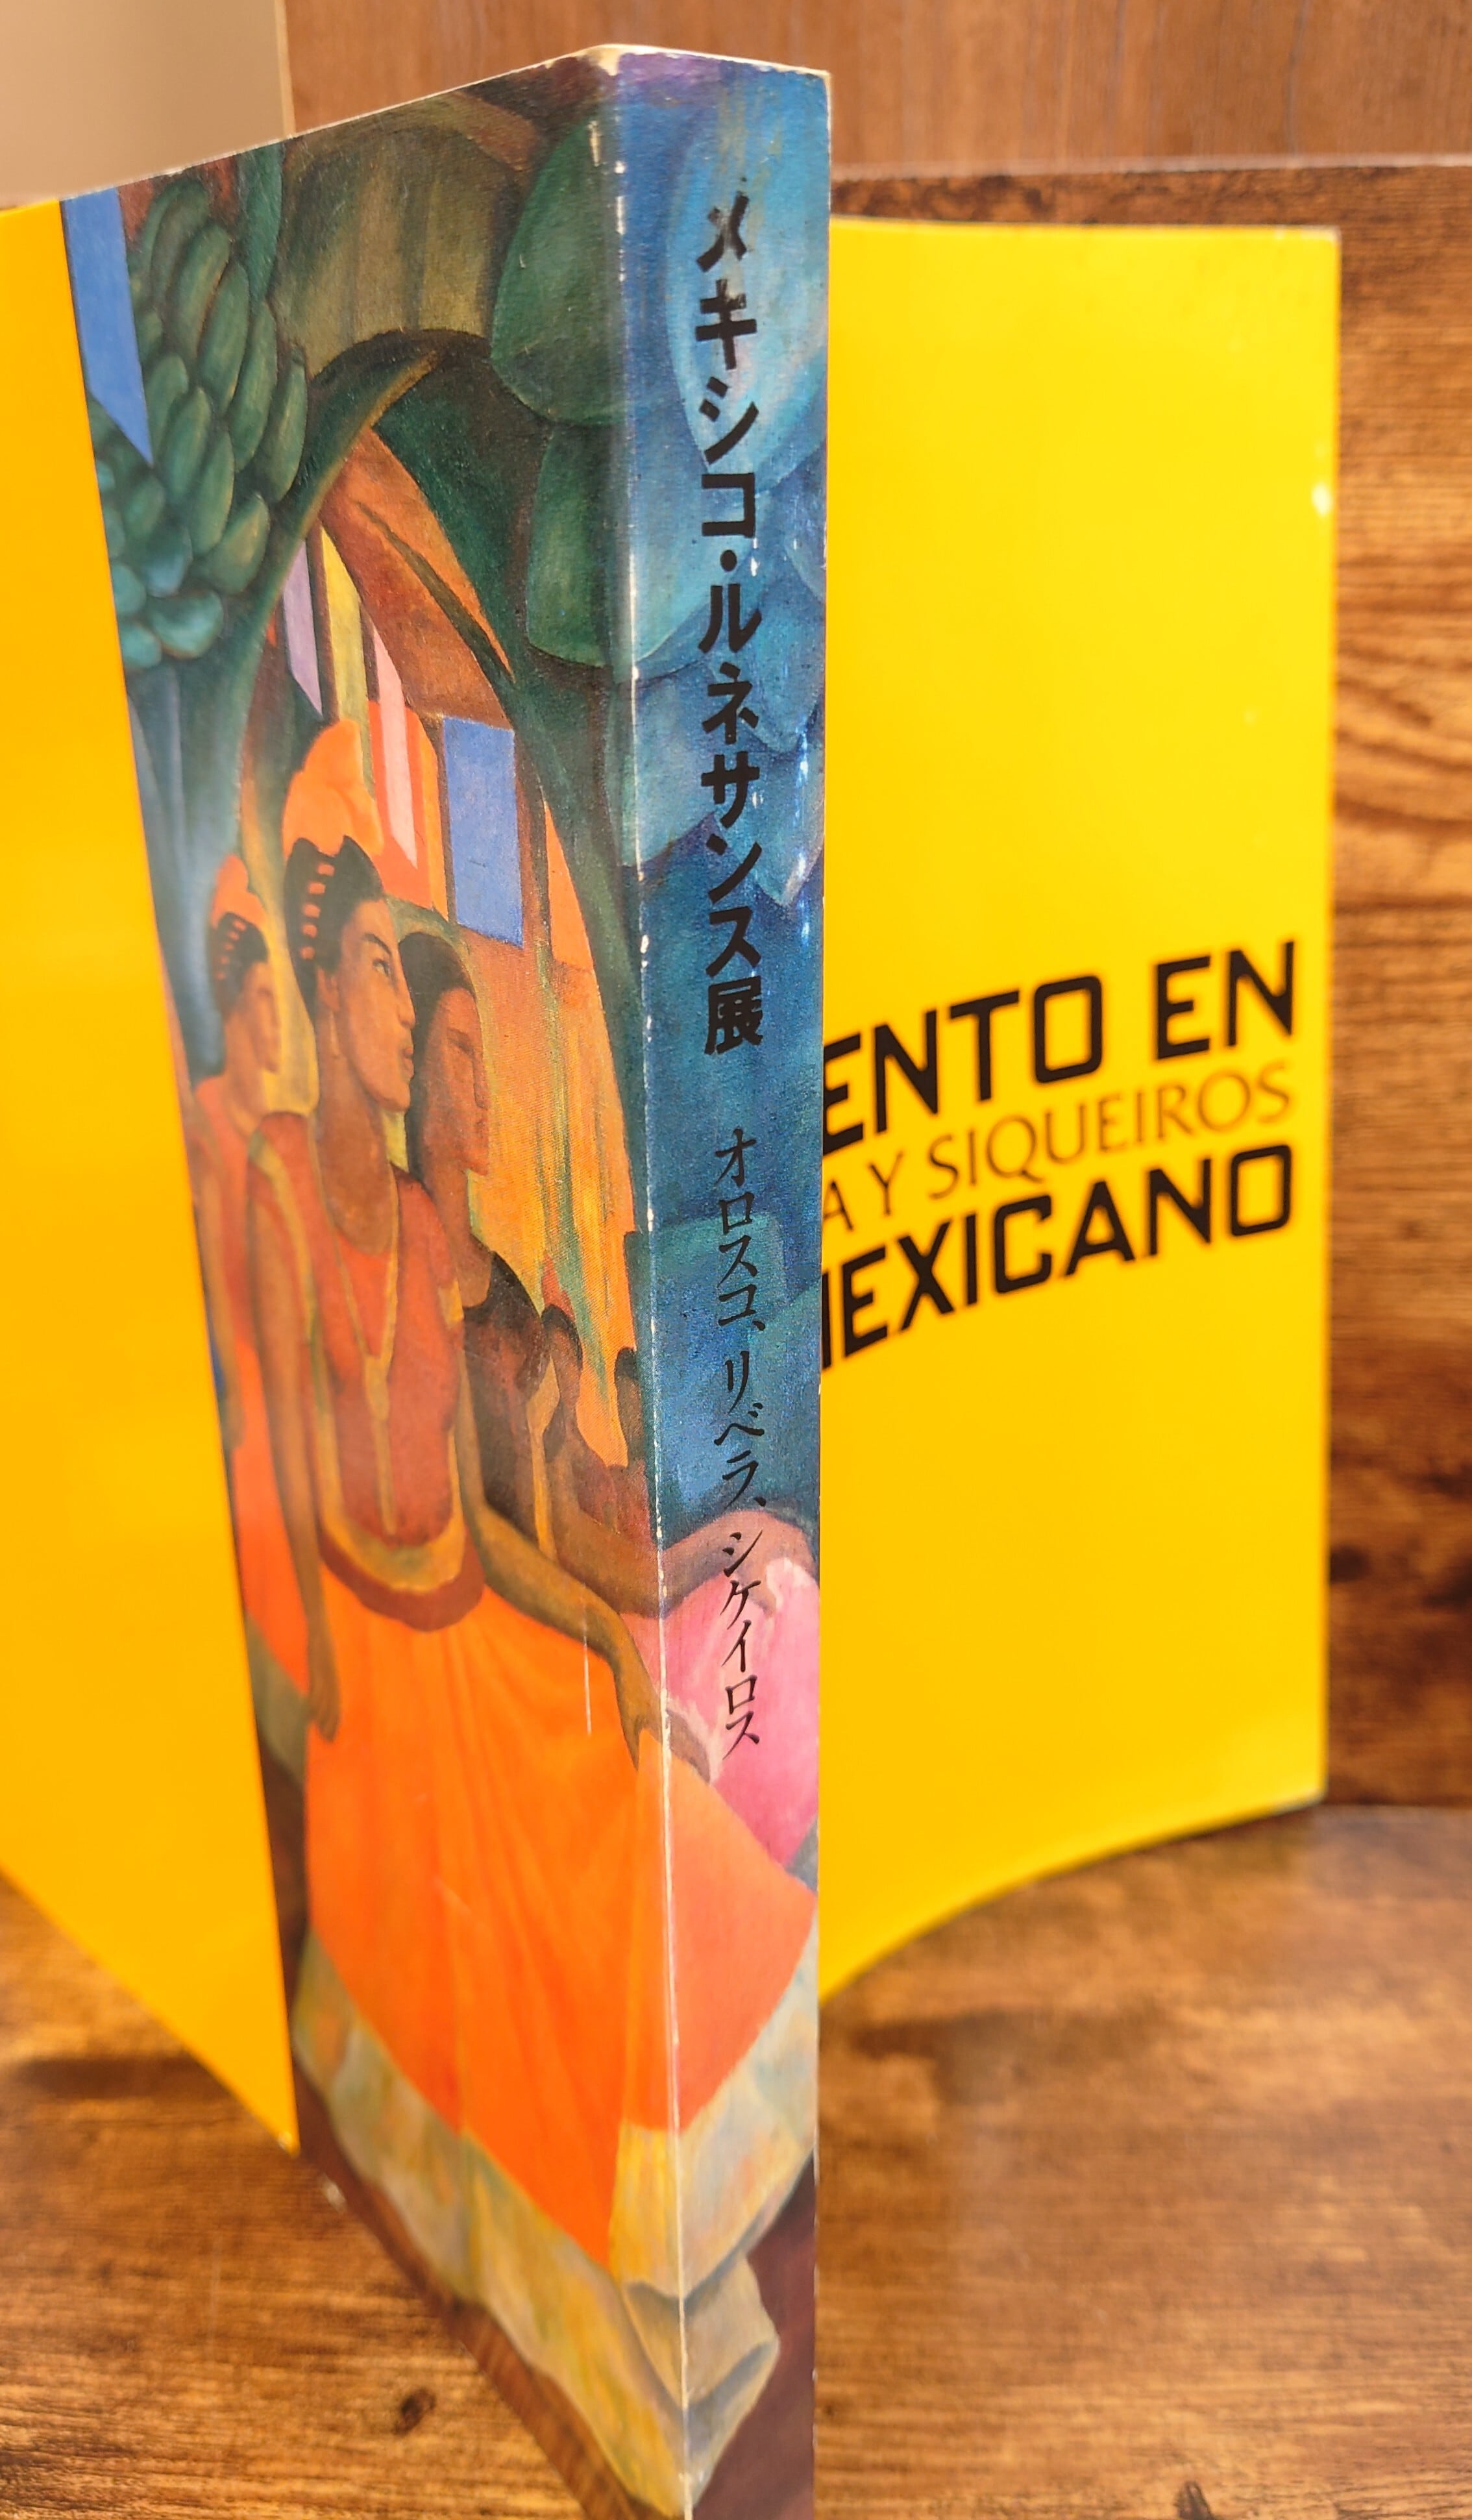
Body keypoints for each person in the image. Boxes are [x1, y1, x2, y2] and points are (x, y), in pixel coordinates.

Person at [247, 723, 814, 2510]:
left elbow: (503, 1529)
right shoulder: (281, 1191)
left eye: (409, 989)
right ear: (325, 989)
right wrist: (327, 1699)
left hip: (473, 1627)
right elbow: (296, 1482)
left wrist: (602, 1638)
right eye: (372, 977)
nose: (398, 1018)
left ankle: (683, 2286)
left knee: (648, 1815)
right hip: (376, 1664)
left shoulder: (441, 1248)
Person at [544, 1332, 820, 1873]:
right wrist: (729, 1539)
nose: (562, 1375)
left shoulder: (620, 1470)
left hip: (651, 1617)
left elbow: (650, 1570)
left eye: (567, 1361)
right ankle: (767, 1833)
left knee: (775, 1592)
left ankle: (788, 1817)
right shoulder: (562, 1461)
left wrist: (733, 1540)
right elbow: (633, 1576)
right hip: (617, 1634)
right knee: (768, 1594)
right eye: (552, 1363)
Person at [190, 854, 309, 1711]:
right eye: (265, 999)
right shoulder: (203, 1129)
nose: (276, 1020)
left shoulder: (278, 1132)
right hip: (247, 1408)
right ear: (235, 1006)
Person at [399, 927, 545, 1544]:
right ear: (412, 1064)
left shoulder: (511, 1302)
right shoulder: (392, 1274)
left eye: (484, 1058)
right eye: (461, 1052)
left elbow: (544, 1524)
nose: (485, 1092)